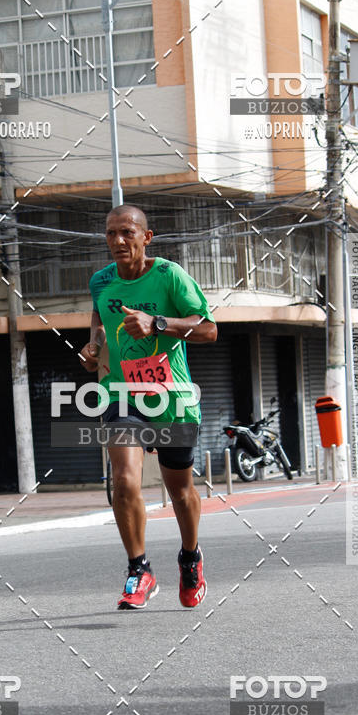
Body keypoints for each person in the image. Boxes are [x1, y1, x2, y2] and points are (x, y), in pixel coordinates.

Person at [80, 205, 217, 610]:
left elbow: (209, 329)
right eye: (110, 234)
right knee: (123, 478)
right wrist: (94, 349)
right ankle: (139, 568)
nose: (118, 241)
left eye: (127, 232)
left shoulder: (168, 276)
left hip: (171, 397)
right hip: (120, 392)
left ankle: (190, 557)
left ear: (146, 236)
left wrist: (158, 323)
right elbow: (100, 322)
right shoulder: (101, 281)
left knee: (180, 490)